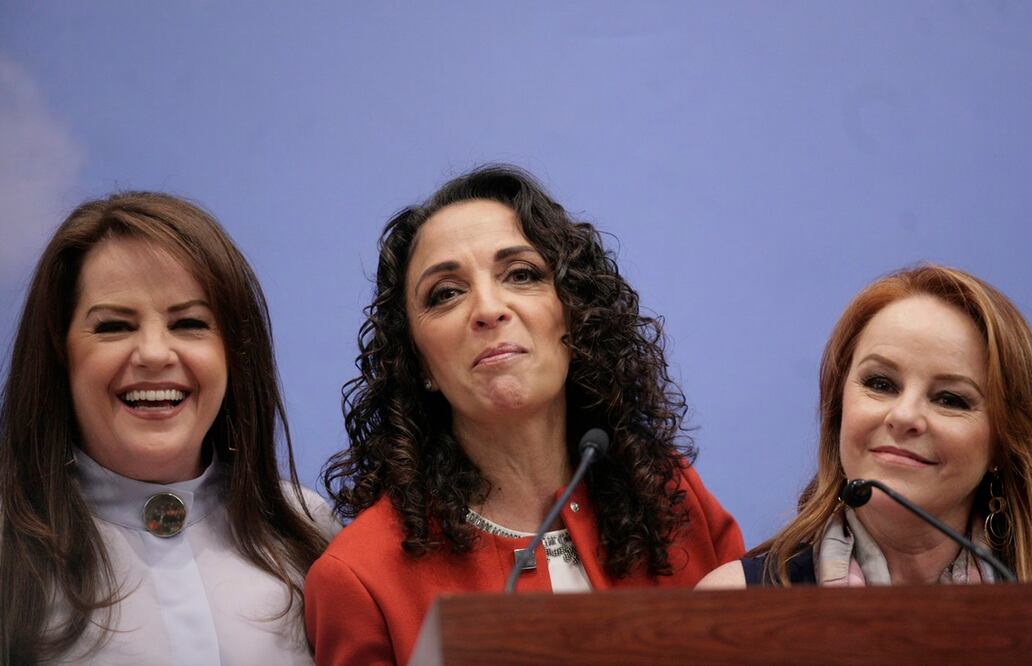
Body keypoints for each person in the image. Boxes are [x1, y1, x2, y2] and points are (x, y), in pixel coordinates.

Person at [305, 165, 744, 664]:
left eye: (522, 275)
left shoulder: (674, 499)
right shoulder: (360, 578)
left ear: (575, 315)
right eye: (445, 293)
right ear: (418, 362)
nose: (488, 309)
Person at [0, 193, 339, 664]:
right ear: (60, 354)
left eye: (189, 323)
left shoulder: (307, 529)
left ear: (235, 354)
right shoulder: (8, 544)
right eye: (114, 326)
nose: (155, 353)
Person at [698, 264, 1032, 589]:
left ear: (1003, 443)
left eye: (949, 399)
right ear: (837, 409)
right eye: (880, 384)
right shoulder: (733, 603)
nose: (905, 416)